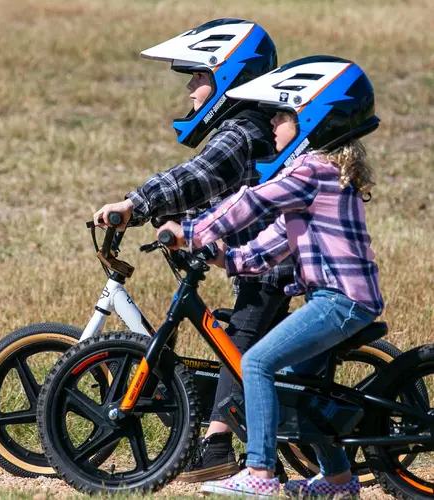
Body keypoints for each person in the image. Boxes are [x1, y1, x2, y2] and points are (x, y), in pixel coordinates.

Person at [159, 55, 384, 498]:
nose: (274, 124)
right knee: (295, 389)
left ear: (312, 120)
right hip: (343, 300)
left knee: (257, 363)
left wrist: (190, 230)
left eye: (282, 114)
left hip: (339, 301)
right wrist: (231, 257)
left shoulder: (310, 170)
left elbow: (252, 203)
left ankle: (259, 472)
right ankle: (338, 481)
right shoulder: (321, 176)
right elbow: (275, 239)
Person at [94, 19, 295, 482]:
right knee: (244, 336)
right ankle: (261, 434)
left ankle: (218, 444)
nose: (189, 89)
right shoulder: (249, 128)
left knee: (239, 339)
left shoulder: (241, 131)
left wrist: (135, 204)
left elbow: (196, 178)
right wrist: (183, 229)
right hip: (263, 256)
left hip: (268, 264)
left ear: (230, 77)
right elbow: (221, 199)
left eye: (199, 76)